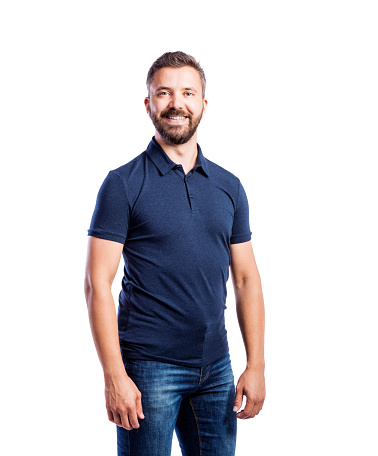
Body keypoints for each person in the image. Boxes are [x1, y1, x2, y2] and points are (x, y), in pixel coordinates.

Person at [84, 51, 266, 456]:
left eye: (188, 92)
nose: (176, 103)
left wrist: (257, 364)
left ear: (203, 104)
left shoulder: (229, 186)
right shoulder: (123, 184)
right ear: (149, 104)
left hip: (216, 368)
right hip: (148, 369)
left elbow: (247, 279)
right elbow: (98, 284)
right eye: (164, 93)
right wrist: (115, 374)